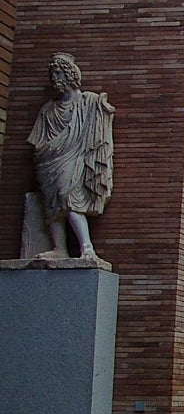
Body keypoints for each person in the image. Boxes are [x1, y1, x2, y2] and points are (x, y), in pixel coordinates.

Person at [28, 52, 115, 261]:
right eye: (53, 75)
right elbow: (38, 140)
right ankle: (60, 248)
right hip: (49, 162)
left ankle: (87, 248)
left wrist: (104, 108)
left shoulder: (87, 102)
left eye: (58, 73)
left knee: (69, 197)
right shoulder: (48, 110)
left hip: (74, 157)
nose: (55, 79)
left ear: (69, 75)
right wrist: (47, 151)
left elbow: (102, 117)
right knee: (53, 204)